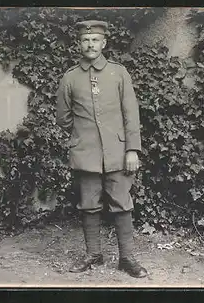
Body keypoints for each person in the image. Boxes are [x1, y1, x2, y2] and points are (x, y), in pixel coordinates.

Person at [56, 20, 148, 278]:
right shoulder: (70, 77)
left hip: (118, 154)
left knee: (122, 204)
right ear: (79, 43)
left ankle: (127, 258)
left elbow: (131, 114)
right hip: (86, 154)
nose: (90, 44)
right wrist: (84, 135)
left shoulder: (118, 73)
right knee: (89, 205)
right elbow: (63, 117)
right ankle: (93, 254)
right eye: (86, 40)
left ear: (104, 43)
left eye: (95, 40)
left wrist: (132, 150)